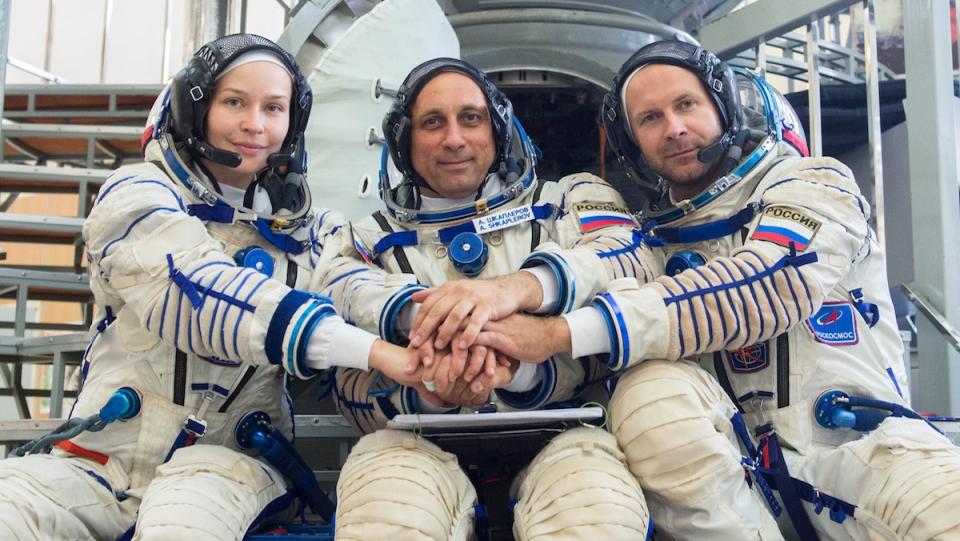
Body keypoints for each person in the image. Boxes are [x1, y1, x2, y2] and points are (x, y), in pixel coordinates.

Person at [435, 40, 960, 540]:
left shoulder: (812, 182)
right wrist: (499, 363)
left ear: (723, 107)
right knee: (647, 394)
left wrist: (552, 333)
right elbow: (596, 361)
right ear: (630, 144)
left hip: (863, 451)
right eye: (650, 119)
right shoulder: (643, 246)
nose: (675, 128)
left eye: (687, 105)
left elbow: (769, 282)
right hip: (728, 477)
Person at [0, 34, 423, 541]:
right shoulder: (135, 195)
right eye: (234, 103)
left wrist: (424, 320)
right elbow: (194, 293)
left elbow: (357, 288)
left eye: (274, 108)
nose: (255, 125)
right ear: (193, 108)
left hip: (228, 467)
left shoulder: (316, 233)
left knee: (181, 524)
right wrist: (375, 352)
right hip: (99, 462)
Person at [328, 58, 655, 540]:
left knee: (593, 516)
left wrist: (519, 312)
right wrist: (430, 386)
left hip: (564, 435)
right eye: (432, 122)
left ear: (497, 129)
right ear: (404, 142)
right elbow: (347, 381)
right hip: (411, 443)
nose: (454, 139)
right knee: (387, 521)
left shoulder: (568, 199)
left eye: (471, 118)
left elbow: (631, 258)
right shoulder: (362, 240)